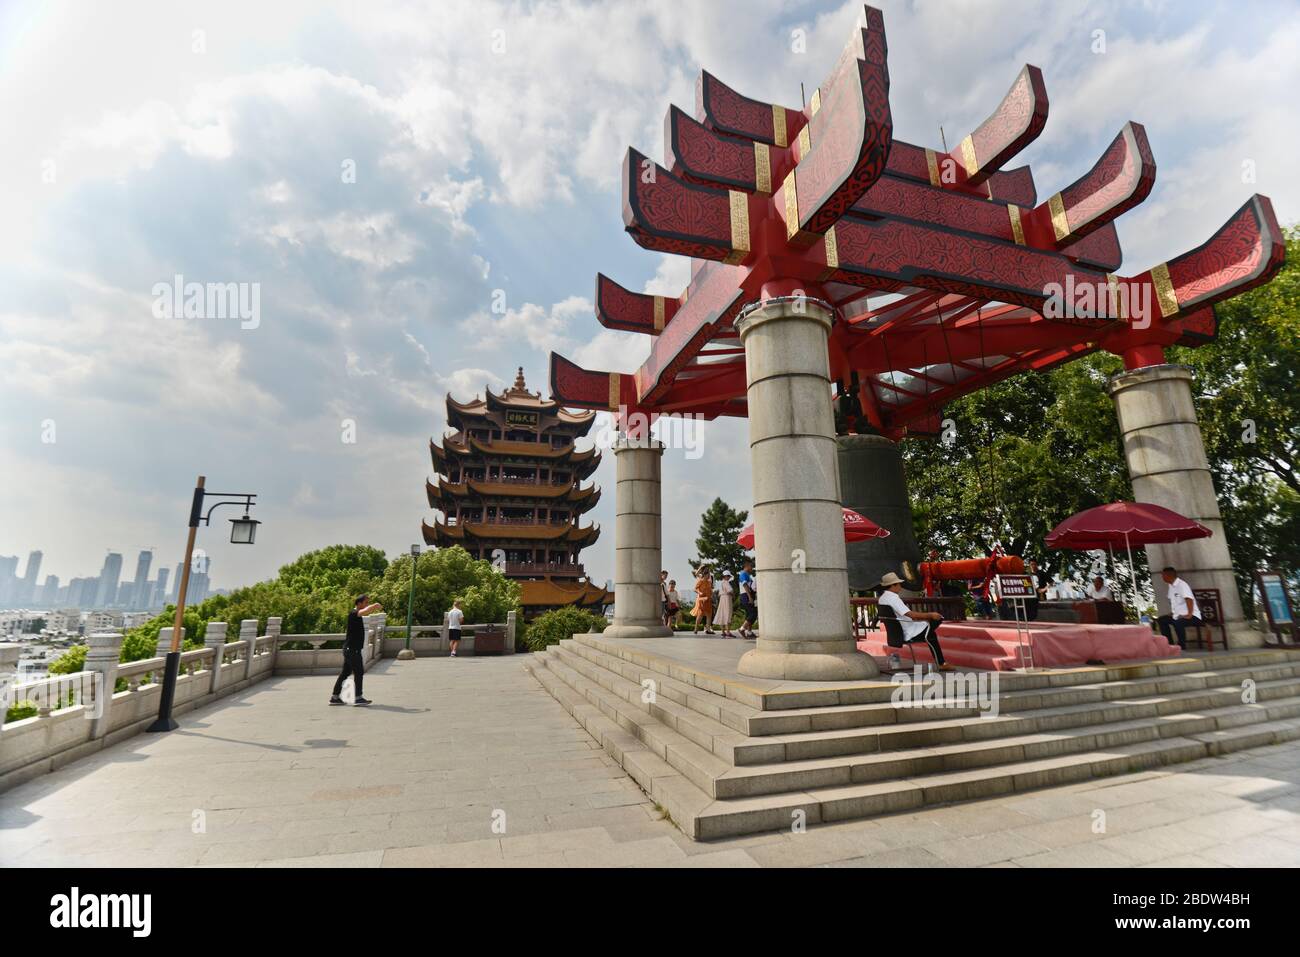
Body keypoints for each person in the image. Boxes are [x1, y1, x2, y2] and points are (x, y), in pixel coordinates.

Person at [878, 572, 953, 671]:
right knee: (935, 623)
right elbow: (910, 614)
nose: (900, 586)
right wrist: (930, 615)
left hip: (896, 633)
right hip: (907, 632)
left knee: (931, 634)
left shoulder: (882, 598)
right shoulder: (893, 598)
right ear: (893, 585)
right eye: (899, 584)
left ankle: (941, 662)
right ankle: (941, 663)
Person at [330, 594, 382, 705]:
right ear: (359, 604)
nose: (367, 605)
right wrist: (374, 606)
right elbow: (365, 611)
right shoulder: (354, 614)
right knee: (359, 672)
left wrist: (370, 607)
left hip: (350, 649)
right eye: (365, 603)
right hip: (352, 650)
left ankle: (335, 697)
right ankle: (358, 697)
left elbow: (365, 611)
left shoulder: (356, 615)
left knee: (345, 673)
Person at [1157, 566, 1203, 649]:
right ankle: (1169, 644)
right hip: (1178, 615)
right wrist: (1172, 613)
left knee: (1178, 623)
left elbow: (1189, 599)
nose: (1162, 577)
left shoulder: (1182, 585)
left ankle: (1181, 645)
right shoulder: (1170, 586)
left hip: (1193, 616)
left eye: (1163, 575)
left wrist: (1189, 614)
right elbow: (1174, 601)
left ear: (1168, 575)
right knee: (1162, 620)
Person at [692, 565, 715, 635]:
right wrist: (699, 592)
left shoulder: (709, 582)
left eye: (709, 574)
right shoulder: (700, 581)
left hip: (708, 600)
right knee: (700, 615)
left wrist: (711, 596)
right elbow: (695, 589)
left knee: (709, 615)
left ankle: (708, 629)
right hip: (702, 599)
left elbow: (711, 590)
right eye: (708, 574)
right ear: (704, 574)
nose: (709, 576)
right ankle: (696, 628)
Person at [738, 560, 757, 638]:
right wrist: (750, 597)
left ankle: (749, 632)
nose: (752, 568)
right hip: (745, 596)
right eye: (751, 566)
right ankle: (742, 629)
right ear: (747, 566)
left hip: (748, 595)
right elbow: (745, 585)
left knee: (749, 614)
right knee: (753, 613)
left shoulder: (747, 575)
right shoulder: (743, 573)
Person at [714, 571, 736, 637]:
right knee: (727, 613)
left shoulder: (721, 583)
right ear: (725, 576)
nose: (729, 577)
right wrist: (733, 595)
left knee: (722, 614)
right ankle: (728, 632)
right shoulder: (726, 583)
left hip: (722, 598)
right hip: (727, 598)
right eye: (728, 576)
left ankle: (723, 631)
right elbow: (730, 591)